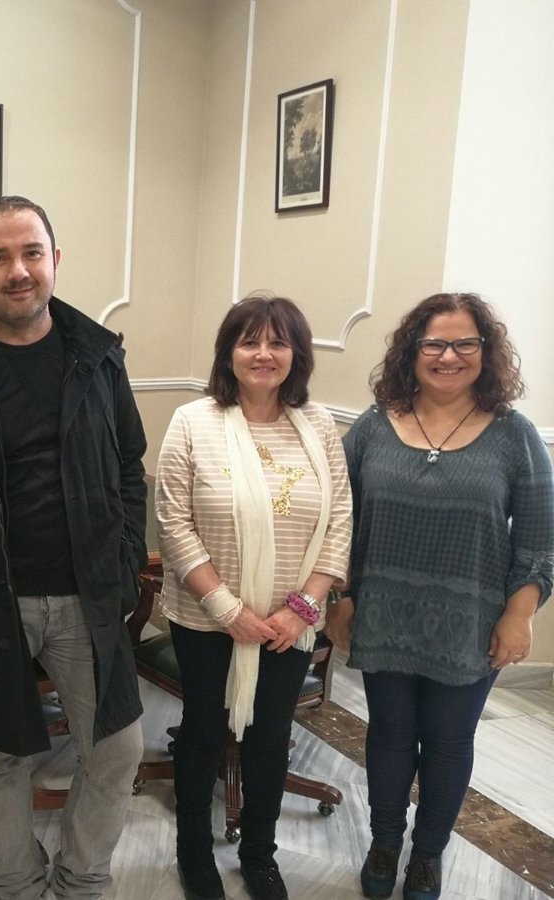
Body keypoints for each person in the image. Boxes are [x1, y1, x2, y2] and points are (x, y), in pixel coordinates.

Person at [0, 195, 148, 900]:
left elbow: (128, 465)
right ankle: (16, 884)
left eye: (31, 253)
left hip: (86, 596)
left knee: (117, 748)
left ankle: (80, 880)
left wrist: (125, 561)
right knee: (0, 756)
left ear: (54, 260)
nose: (18, 270)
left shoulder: (99, 357)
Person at [326, 293, 552, 900]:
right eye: (434, 343)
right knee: (390, 734)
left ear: (486, 351)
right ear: (412, 350)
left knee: (449, 743)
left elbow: (539, 541)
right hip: (381, 614)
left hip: (470, 625)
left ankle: (427, 856)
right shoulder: (374, 426)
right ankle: (384, 842)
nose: (448, 356)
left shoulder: (515, 436)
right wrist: (340, 597)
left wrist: (519, 614)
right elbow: (339, 521)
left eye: (464, 343)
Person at [154, 295, 352, 900]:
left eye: (277, 342)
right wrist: (228, 611)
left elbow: (340, 520)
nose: (264, 354)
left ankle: (259, 854)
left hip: (290, 625)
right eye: (249, 341)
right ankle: (194, 852)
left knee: (269, 737)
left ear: (297, 354)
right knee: (203, 733)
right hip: (207, 619)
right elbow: (173, 521)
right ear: (228, 353)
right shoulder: (194, 421)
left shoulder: (319, 425)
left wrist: (303, 609)